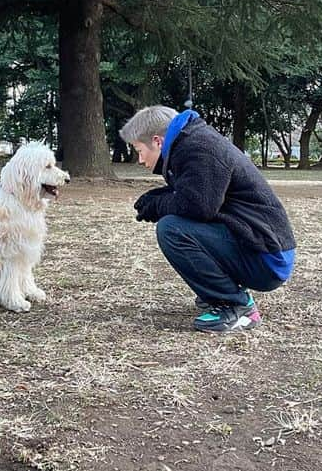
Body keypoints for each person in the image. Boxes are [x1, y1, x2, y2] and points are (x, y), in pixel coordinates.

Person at [121, 105, 296, 333]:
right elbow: (197, 199)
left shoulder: (199, 148)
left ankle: (237, 306)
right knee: (176, 224)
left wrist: (158, 205)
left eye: (138, 150)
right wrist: (161, 198)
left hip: (269, 259)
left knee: (172, 229)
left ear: (157, 141)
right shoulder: (190, 144)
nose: (140, 159)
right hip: (262, 247)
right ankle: (221, 293)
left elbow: (198, 207)